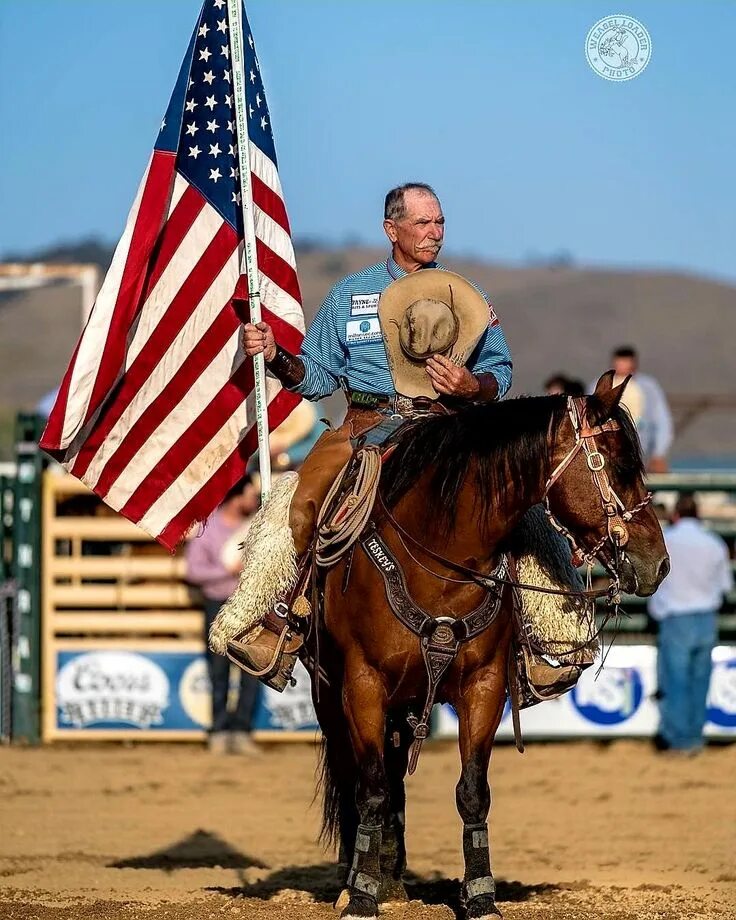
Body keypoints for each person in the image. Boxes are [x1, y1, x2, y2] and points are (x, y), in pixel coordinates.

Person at [229, 182, 512, 685]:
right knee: (301, 502)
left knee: (519, 507)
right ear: (392, 229)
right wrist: (275, 355)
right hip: (364, 430)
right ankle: (279, 622)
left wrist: (472, 384)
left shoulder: (468, 297)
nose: (435, 233)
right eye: (423, 223)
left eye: (440, 222)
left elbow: (501, 369)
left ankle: (548, 639)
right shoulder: (348, 295)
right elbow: (316, 379)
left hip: (448, 430)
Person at [648, 493, 734, 754]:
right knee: (699, 680)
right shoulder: (714, 543)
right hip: (706, 617)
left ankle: (678, 740)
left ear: (675, 514)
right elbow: (725, 587)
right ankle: (695, 737)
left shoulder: (667, 541)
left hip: (676, 617)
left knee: (675, 681)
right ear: (698, 514)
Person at [186, 476, 262, 753]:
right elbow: (193, 571)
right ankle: (219, 730)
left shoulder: (256, 527)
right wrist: (226, 572)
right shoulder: (210, 529)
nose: (255, 500)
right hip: (218, 604)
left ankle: (241, 730)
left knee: (251, 669)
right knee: (218, 669)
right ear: (237, 497)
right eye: (251, 495)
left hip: (249, 604)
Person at [591, 346, 673, 472]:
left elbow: (662, 421)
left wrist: (658, 453)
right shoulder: (599, 386)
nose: (622, 366)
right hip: (605, 453)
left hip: (640, 452)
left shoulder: (648, 387)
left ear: (634, 363)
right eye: (619, 362)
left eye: (626, 362)